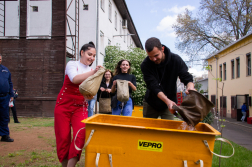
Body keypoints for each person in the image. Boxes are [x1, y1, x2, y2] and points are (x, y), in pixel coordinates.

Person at [54, 42, 102, 167]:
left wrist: (90, 94)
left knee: (80, 136)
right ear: (82, 52)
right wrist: (93, 73)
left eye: (94, 56)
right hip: (63, 106)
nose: (91, 58)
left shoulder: (91, 70)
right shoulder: (72, 64)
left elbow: (89, 94)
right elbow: (74, 79)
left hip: (80, 107)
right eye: (89, 54)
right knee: (63, 138)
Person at [141, 37, 195, 120]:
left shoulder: (176, 60)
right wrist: (167, 101)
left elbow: (186, 77)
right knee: (147, 131)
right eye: (150, 57)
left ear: (162, 49)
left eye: (156, 55)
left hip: (170, 104)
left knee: (167, 130)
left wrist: (190, 87)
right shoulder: (146, 64)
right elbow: (154, 86)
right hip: (151, 103)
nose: (153, 59)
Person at [0, 54, 14, 142]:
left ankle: (4, 135)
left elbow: (10, 82)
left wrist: (11, 94)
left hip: (4, 98)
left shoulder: (5, 70)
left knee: (4, 117)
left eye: (0, 59)